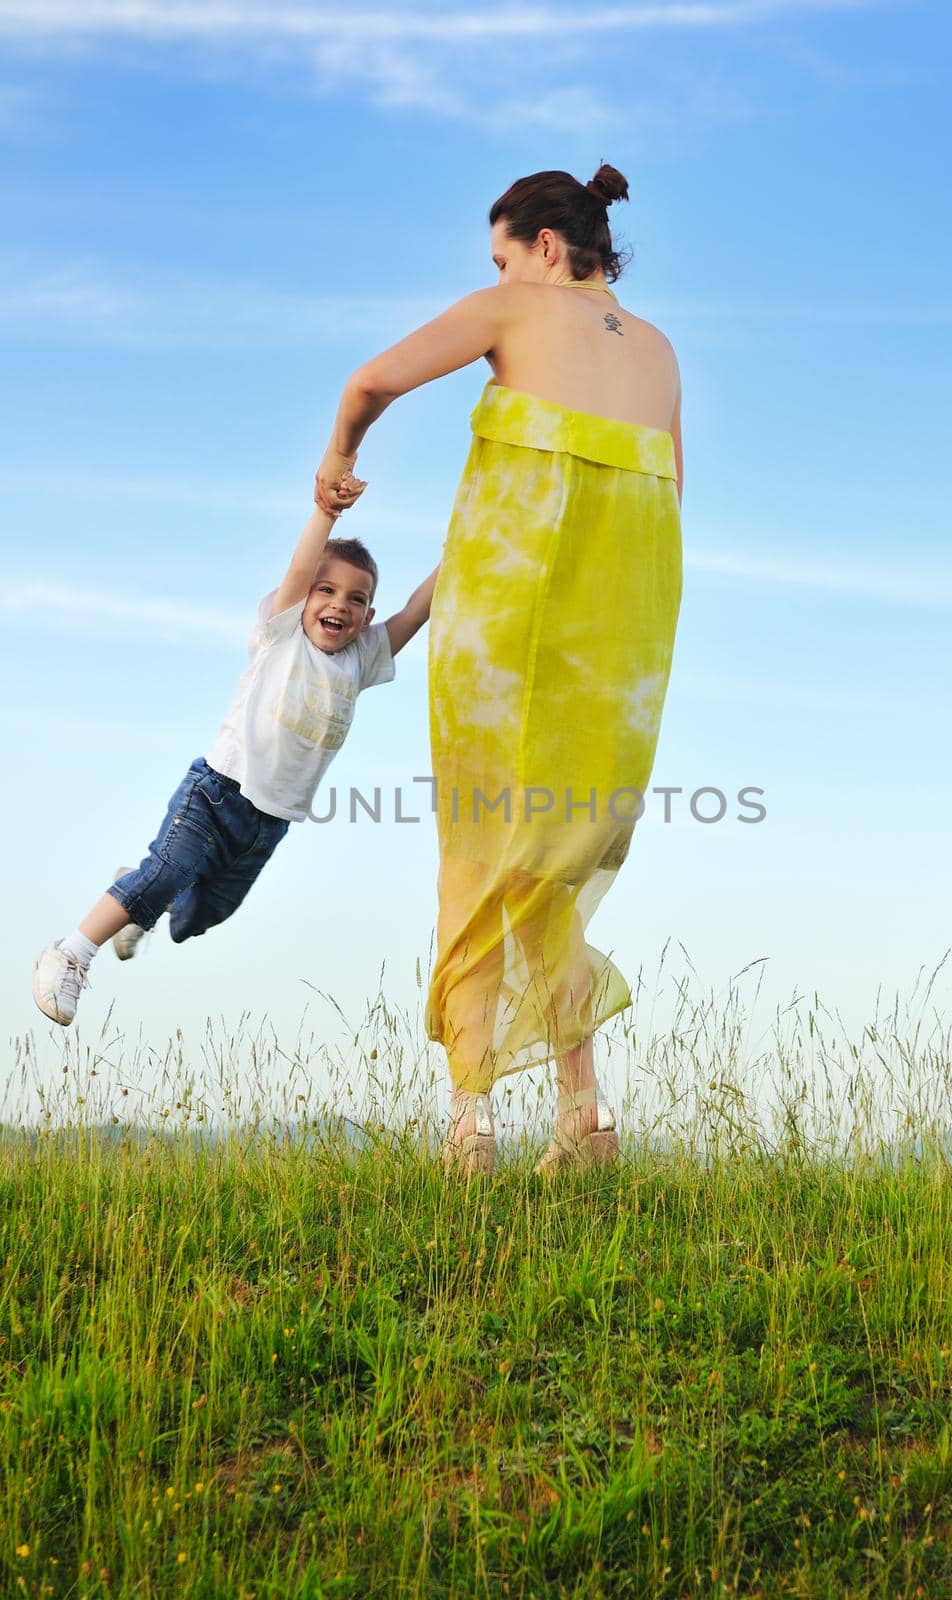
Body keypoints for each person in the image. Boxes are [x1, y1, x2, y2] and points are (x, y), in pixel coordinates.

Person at [316, 164, 683, 1179]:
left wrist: (335, 461)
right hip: (620, 641)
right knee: (550, 861)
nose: (498, 273)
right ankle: (584, 1116)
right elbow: (661, 503)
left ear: (547, 249)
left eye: (502, 255)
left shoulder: (511, 310)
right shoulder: (660, 353)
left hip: (504, 629)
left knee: (479, 850)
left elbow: (369, 383)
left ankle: (471, 1123)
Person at [33, 490, 438, 1025]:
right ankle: (70, 951)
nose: (339, 604)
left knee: (202, 915)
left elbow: (415, 612)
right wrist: (326, 513)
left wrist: (458, 548)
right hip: (218, 790)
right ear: (302, 597)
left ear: (367, 617)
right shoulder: (283, 633)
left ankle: (140, 902)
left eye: (356, 599)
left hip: (270, 822)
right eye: (326, 590)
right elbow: (301, 567)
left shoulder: (361, 660)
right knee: (168, 870)